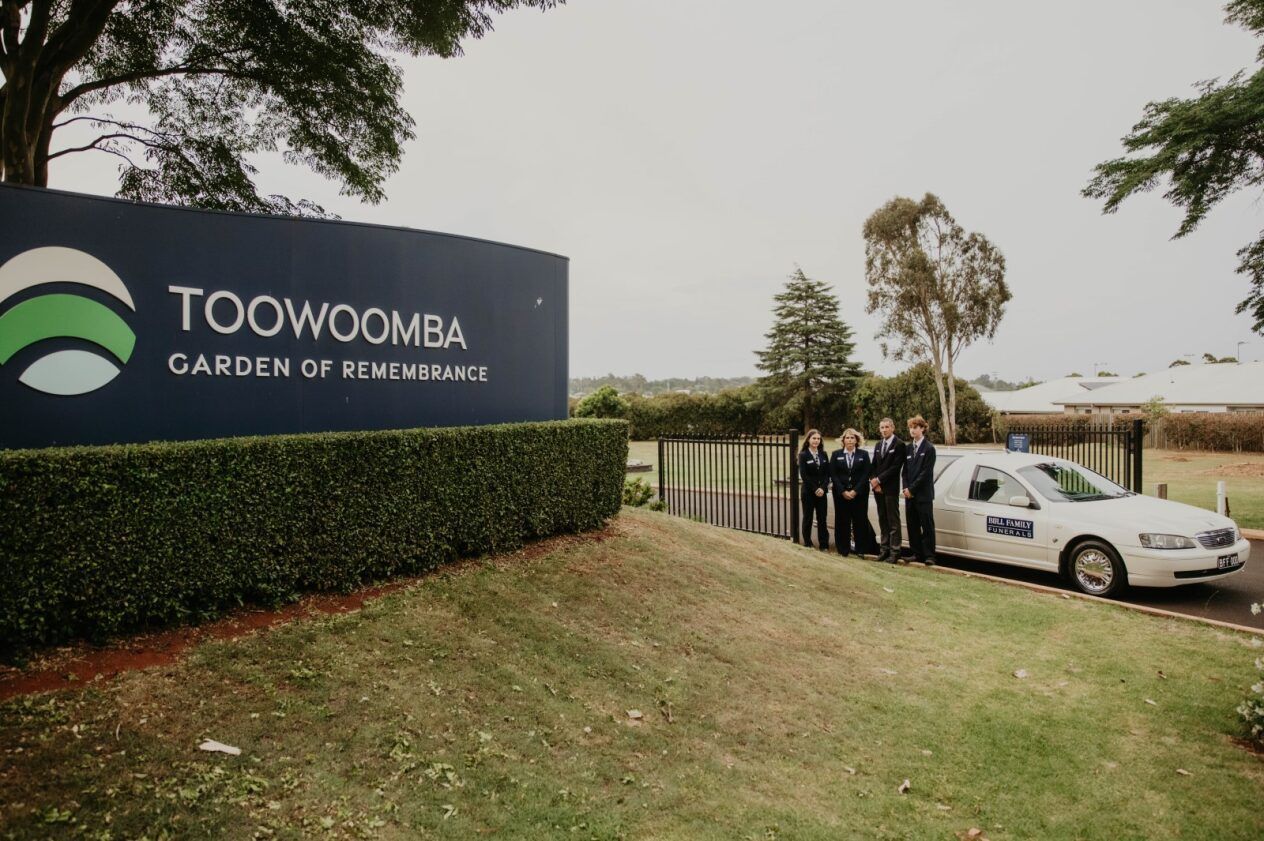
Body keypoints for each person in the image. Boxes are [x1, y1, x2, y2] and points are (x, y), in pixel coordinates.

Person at [830, 428, 879, 557]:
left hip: (859, 495)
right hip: (841, 495)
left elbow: (866, 474)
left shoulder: (863, 455)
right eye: (847, 438)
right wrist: (843, 491)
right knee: (842, 521)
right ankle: (843, 549)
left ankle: (860, 550)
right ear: (843, 440)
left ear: (857, 440)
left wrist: (855, 491)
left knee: (860, 521)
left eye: (852, 438)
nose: (850, 440)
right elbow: (833, 475)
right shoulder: (836, 455)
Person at [902, 415, 938, 566]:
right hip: (909, 495)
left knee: (927, 525)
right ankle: (916, 553)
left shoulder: (929, 448)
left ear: (922, 428)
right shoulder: (908, 448)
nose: (912, 430)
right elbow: (905, 471)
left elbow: (926, 472)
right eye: (911, 427)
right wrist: (905, 488)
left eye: (915, 427)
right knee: (912, 525)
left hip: (923, 495)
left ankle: (929, 555)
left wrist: (912, 489)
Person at [870, 417, 906, 563]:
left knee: (893, 522)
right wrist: (873, 481)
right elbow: (873, 465)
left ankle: (895, 551)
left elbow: (895, 467)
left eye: (886, 427)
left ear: (892, 428)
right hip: (877, 489)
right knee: (882, 520)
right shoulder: (878, 444)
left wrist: (879, 480)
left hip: (890, 489)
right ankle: (884, 550)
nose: (884, 430)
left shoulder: (899, 444)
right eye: (882, 427)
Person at [797, 428, 831, 550]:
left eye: (818, 439)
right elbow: (804, 475)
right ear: (808, 440)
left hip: (822, 492)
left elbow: (828, 474)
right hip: (808, 492)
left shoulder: (824, 454)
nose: (816, 441)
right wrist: (815, 488)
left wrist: (822, 488)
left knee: (822, 519)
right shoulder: (803, 455)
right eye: (814, 438)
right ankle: (807, 543)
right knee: (808, 518)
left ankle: (824, 544)